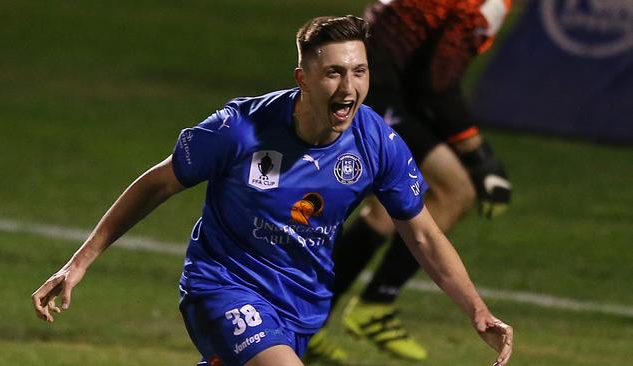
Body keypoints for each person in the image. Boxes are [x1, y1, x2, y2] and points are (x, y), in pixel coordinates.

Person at [31, 15, 513, 366]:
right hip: (220, 287)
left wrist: (478, 312)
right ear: (303, 79)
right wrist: (79, 263)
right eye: (334, 73)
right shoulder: (240, 129)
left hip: (300, 308)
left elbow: (423, 236)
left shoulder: (378, 143)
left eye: (360, 72)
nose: (350, 87)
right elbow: (156, 184)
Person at [305, 0, 513, 363]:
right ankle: (375, 304)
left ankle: (310, 323)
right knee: (455, 190)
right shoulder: (485, 4)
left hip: (379, 81)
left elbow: (425, 71)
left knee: (388, 212)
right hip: (376, 87)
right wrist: (481, 159)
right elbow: (439, 83)